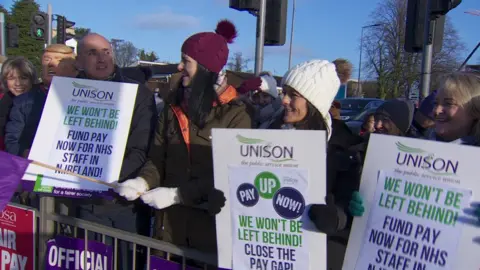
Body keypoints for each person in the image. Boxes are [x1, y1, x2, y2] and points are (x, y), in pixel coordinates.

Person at [114, 20, 252, 264]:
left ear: (206, 67)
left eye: (186, 61)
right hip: (168, 232)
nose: (179, 66)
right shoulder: (172, 107)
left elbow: (231, 175)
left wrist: (179, 195)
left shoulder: (236, 115)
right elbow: (157, 158)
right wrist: (143, 180)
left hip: (209, 238)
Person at [262, 59, 364, 269]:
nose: (284, 101)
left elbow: (346, 201)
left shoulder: (341, 148)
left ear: (314, 101)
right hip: (269, 251)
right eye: (284, 93)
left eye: (293, 95)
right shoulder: (266, 134)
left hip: (313, 252)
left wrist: (336, 217)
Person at [73, 33, 157, 269]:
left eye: (106, 52)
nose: (101, 59)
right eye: (92, 53)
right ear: (78, 61)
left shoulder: (138, 94)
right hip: (84, 202)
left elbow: (141, 149)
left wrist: (104, 177)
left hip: (124, 202)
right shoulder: (67, 92)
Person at [2, 57, 42, 156]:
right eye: (11, 78)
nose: (18, 83)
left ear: (32, 79)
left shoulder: (40, 100)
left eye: (23, 78)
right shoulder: (3, 102)